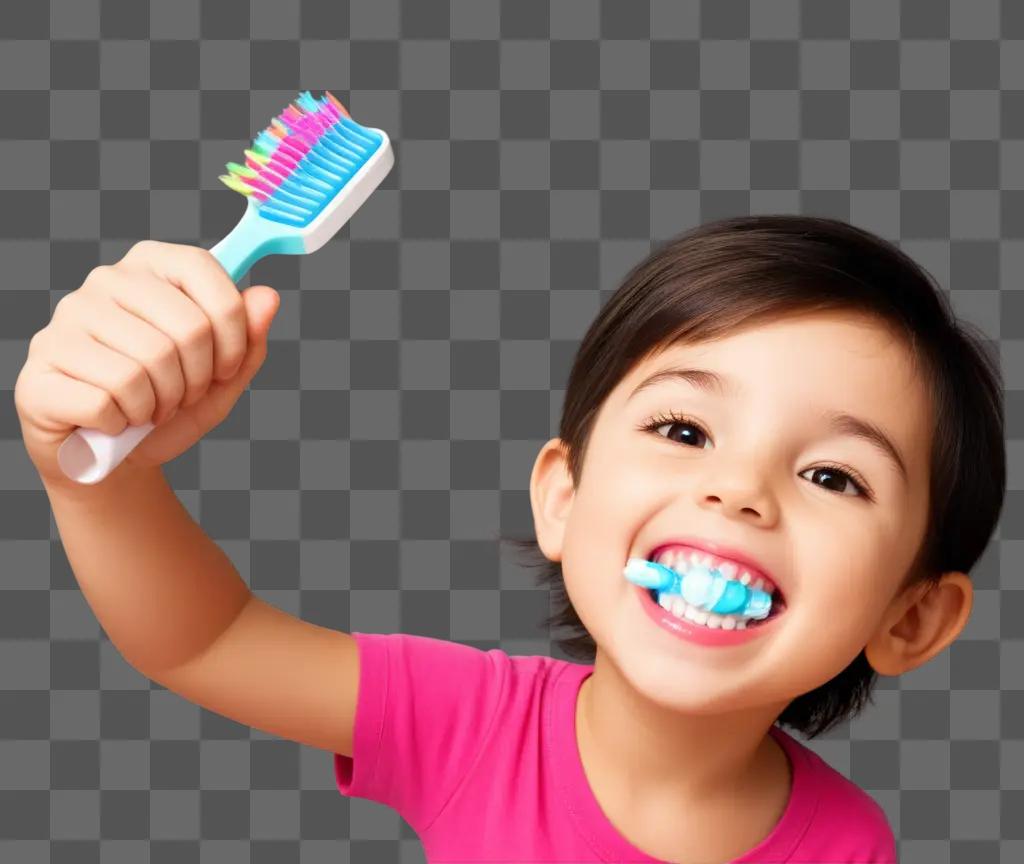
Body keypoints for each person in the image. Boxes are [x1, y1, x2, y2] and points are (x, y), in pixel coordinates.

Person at [14, 215, 1004, 862]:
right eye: (682, 430)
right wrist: (95, 484)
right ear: (562, 499)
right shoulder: (474, 726)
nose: (737, 491)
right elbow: (204, 638)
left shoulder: (849, 845)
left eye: (832, 475)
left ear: (913, 616)